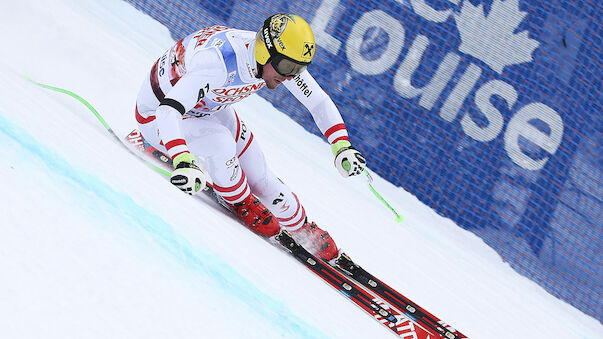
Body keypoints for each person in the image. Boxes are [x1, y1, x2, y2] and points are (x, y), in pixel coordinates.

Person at [134, 13, 366, 261]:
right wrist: (182, 159)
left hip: (208, 108)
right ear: (266, 52)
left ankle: (302, 227)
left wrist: (341, 145)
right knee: (221, 143)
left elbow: (318, 101)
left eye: (298, 69)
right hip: (158, 117)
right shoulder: (218, 63)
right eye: (288, 67)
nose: (290, 77)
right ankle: (239, 202)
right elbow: (168, 109)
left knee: (260, 174)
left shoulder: (274, 59)